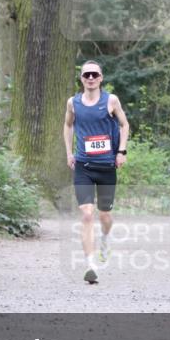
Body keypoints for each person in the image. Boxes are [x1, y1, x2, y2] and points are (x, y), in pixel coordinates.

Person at [63, 60, 130, 285]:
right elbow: (68, 125)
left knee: (104, 216)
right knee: (87, 215)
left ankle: (106, 238)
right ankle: (91, 265)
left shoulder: (110, 100)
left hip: (106, 167)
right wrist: (68, 153)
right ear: (81, 78)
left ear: (101, 78)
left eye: (94, 74)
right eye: (86, 75)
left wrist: (121, 151)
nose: (90, 78)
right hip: (83, 166)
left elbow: (124, 124)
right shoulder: (73, 103)